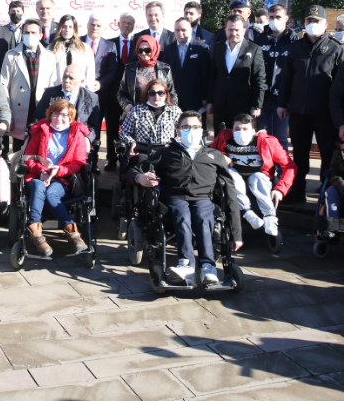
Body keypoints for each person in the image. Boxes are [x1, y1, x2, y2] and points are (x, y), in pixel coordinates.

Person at [130, 111, 241, 286]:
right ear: (179, 131)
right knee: (182, 216)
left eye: (196, 127)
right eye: (186, 127)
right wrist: (140, 178)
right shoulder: (165, 153)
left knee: (203, 217)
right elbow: (135, 170)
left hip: (203, 197)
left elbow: (231, 193)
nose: (191, 130)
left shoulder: (214, 155)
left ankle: (208, 266)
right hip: (174, 197)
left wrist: (237, 234)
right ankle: (186, 264)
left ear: (202, 130)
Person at [278, 5, 344, 203]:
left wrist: (340, 114)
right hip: (299, 111)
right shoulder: (296, 48)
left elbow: (343, 84)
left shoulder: (336, 48)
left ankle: (326, 193)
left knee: (327, 154)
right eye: (309, 21)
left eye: (316, 21)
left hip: (325, 113)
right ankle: (297, 191)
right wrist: (282, 103)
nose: (312, 24)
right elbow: (286, 79)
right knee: (299, 153)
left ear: (325, 24)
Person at [21, 99, 91, 256]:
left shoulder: (77, 135)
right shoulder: (41, 131)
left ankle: (73, 233)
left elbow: (78, 164)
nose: (59, 118)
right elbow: (28, 158)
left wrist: (57, 171)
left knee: (52, 194)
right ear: (50, 115)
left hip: (62, 178)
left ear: (71, 116)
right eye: (55, 114)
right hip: (37, 176)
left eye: (64, 115)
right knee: (39, 186)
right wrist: (43, 171)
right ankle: (36, 233)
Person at [212, 114, 295, 241]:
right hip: (234, 175)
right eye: (237, 129)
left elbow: (289, 166)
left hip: (258, 175)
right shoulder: (224, 137)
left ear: (253, 131)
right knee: (232, 177)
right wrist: (220, 155)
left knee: (258, 179)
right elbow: (207, 151)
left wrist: (280, 189)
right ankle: (247, 212)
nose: (240, 132)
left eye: (245, 129)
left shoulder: (268, 142)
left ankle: (270, 217)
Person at [0, 20, 58, 147]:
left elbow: (53, 85)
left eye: (33, 32)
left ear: (40, 35)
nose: (30, 35)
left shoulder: (49, 57)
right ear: (21, 34)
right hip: (18, 109)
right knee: (18, 147)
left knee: (40, 146)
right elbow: (3, 85)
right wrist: (7, 111)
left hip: (41, 108)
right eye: (26, 32)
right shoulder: (11, 56)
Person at [210, 14, 265, 129]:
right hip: (221, 105)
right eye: (230, 30)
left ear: (244, 30)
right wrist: (210, 101)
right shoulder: (218, 47)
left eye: (237, 30)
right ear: (225, 30)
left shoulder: (254, 49)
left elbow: (259, 79)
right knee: (220, 141)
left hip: (243, 105)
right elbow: (212, 75)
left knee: (239, 141)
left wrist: (256, 105)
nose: (233, 33)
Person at [254, 4, 293, 152]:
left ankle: (283, 173)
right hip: (263, 99)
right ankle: (267, 173)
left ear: (286, 18)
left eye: (278, 17)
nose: (274, 20)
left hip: (282, 100)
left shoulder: (293, 40)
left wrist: (288, 101)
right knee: (264, 137)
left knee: (281, 138)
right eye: (271, 17)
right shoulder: (260, 38)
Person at [36, 64, 102, 144]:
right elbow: (38, 117)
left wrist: (87, 139)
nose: (66, 80)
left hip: (78, 140)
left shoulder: (92, 98)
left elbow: (94, 127)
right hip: (52, 138)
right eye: (65, 76)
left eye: (71, 78)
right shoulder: (50, 94)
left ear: (81, 81)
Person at [108, 13, 140, 167]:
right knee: (112, 128)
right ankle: (111, 159)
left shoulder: (139, 44)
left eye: (130, 23)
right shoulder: (109, 44)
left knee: (131, 131)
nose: (127, 25)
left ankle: (129, 160)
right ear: (118, 24)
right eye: (124, 22)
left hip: (132, 96)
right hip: (112, 94)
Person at [117, 36, 177, 115]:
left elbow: (171, 93)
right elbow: (121, 93)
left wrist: (170, 110)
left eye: (147, 50)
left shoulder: (165, 68)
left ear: (154, 49)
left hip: (160, 114)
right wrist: (127, 105)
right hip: (136, 114)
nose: (143, 53)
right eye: (140, 50)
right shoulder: (129, 68)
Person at [162, 18, 212, 114]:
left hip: (196, 101)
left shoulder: (201, 49)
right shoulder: (168, 49)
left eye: (183, 30)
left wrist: (206, 98)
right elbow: (164, 75)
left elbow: (206, 76)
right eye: (177, 30)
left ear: (191, 30)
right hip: (173, 101)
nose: (180, 33)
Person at [119, 79, 183, 150]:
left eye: (161, 93)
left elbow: (182, 133)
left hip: (167, 150)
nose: (156, 96)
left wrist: (174, 144)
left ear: (166, 94)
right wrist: (132, 143)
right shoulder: (137, 110)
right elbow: (124, 132)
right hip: (143, 150)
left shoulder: (175, 111)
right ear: (147, 95)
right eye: (152, 93)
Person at [51, 14, 96, 90]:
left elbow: (90, 74)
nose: (67, 30)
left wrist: (89, 93)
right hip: (57, 92)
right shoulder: (52, 48)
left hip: (79, 92)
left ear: (74, 29)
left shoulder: (85, 48)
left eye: (70, 27)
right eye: (64, 27)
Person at [0, 0, 25, 76]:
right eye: (13, 11)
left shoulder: (27, 30)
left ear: (23, 14)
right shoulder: (1, 30)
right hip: (4, 69)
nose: (16, 13)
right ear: (9, 13)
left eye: (18, 11)